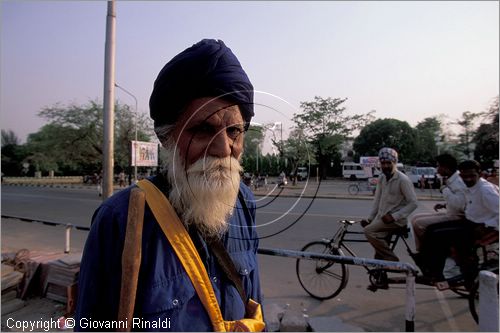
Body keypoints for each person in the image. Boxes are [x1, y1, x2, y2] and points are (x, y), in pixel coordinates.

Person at [75, 39, 264, 331]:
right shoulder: (120, 219)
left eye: (235, 131)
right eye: (203, 130)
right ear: (167, 138)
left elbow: (255, 309)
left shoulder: (244, 202)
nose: (225, 148)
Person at [418, 160, 499, 286]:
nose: (468, 179)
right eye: (465, 176)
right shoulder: (471, 187)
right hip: (469, 222)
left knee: (438, 236)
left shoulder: (485, 190)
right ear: (460, 175)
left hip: (480, 227)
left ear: (480, 174)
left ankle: (437, 274)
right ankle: (430, 268)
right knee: (430, 229)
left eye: (472, 176)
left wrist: (487, 224)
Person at [362, 148, 418, 264]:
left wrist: (394, 216)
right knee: (378, 252)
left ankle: (391, 258)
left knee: (369, 231)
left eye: (389, 163)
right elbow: (377, 200)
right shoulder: (382, 178)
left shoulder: (403, 180)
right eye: (383, 163)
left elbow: (413, 203)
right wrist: (370, 219)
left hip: (396, 221)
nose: (386, 166)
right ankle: (380, 277)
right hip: (382, 219)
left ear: (395, 163)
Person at [410, 153, 466, 252]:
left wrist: (444, 190)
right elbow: (457, 200)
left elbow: (460, 205)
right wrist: (444, 205)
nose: (437, 169)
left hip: (458, 216)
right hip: (452, 212)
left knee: (419, 224)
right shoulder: (451, 179)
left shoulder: (458, 181)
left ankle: (429, 251)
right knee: (415, 218)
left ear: (445, 168)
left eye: (438, 166)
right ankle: (421, 251)